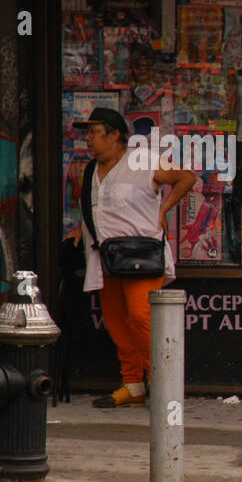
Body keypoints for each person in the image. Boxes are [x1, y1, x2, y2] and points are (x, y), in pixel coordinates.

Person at [66, 108, 196, 408]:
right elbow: (100, 207)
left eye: (94, 133)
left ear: (114, 135)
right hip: (105, 256)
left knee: (141, 317)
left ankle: (163, 380)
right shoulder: (90, 170)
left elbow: (186, 178)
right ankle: (133, 384)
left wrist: (163, 210)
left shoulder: (143, 160)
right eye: (88, 134)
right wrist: (80, 229)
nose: (88, 140)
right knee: (116, 322)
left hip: (141, 254)